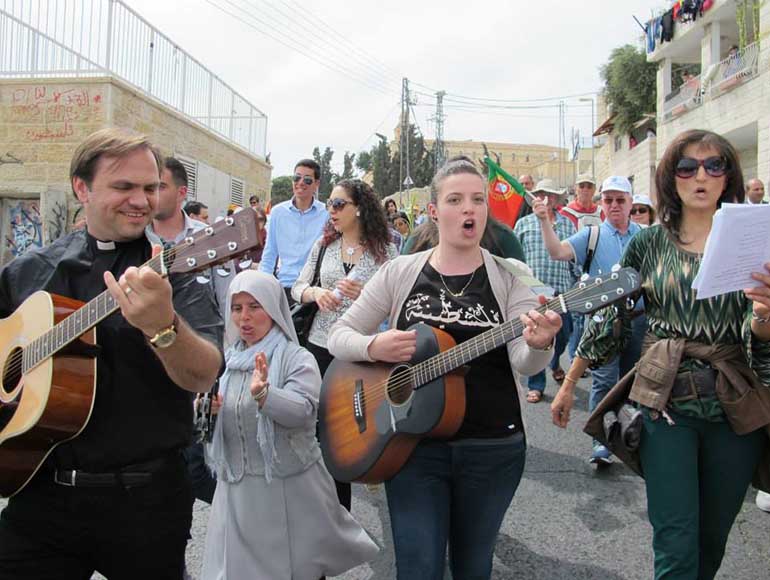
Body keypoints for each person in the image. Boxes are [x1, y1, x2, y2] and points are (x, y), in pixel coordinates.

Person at [0, 128, 224, 579]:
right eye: (124, 187)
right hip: (40, 492)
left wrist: (164, 326)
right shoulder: (31, 271)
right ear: (81, 188)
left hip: (146, 501)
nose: (142, 200)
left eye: (151, 187)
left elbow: (203, 374)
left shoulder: (174, 267)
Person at [327, 157, 562, 579]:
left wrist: (540, 343)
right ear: (434, 211)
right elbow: (339, 336)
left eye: (477, 199)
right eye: (455, 200)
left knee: (474, 567)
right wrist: (374, 344)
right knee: (418, 567)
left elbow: (523, 361)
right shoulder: (400, 271)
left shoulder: (513, 275)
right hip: (412, 447)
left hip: (492, 446)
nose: (468, 209)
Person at [551, 129, 770, 579]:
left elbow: (761, 344)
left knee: (711, 541)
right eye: (687, 167)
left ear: (729, 175)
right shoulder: (648, 243)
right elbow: (608, 319)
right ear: (671, 178)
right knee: (674, 540)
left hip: (735, 406)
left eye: (714, 165)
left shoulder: (755, 243)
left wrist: (764, 317)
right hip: (665, 402)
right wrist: (570, 382)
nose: (701, 176)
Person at [202, 270, 378, 580]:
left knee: (296, 570)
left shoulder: (297, 358)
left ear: (272, 308)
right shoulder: (227, 362)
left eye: (255, 306)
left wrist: (266, 395)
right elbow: (219, 420)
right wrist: (206, 410)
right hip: (238, 497)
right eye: (237, 307)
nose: (244, 317)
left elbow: (305, 412)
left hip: (288, 491)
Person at [291, 178, 398, 509]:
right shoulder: (323, 246)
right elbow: (297, 287)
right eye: (329, 205)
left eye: (339, 205)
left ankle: (346, 497)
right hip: (319, 347)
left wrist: (367, 296)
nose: (332, 211)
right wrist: (316, 293)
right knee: (317, 427)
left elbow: (397, 302)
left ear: (360, 209)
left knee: (347, 431)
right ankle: (325, 508)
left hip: (359, 351)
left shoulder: (386, 253)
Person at [537, 175, 644, 463]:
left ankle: (632, 437)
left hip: (641, 320)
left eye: (620, 200)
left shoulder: (645, 236)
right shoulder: (592, 235)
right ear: (601, 204)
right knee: (604, 381)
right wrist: (546, 221)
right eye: (608, 200)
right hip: (603, 322)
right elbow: (557, 251)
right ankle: (603, 443)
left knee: (637, 381)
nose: (614, 205)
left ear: (631, 202)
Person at [146, 157, 220, 505]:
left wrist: (224, 365)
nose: (148, 196)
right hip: (142, 371)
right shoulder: (133, 236)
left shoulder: (209, 239)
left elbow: (228, 302)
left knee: (195, 459)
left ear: (181, 192)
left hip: (196, 359)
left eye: (157, 186)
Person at [514, 178, 577, 402]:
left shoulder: (568, 225)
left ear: (556, 199)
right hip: (534, 293)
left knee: (564, 335)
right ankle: (536, 385)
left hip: (561, 291)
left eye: (549, 195)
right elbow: (516, 259)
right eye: (540, 194)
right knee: (536, 337)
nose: (544, 199)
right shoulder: (523, 224)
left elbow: (574, 260)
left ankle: (555, 360)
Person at [259, 159, 328, 305]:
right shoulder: (277, 212)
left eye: (308, 180)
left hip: (314, 289)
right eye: (297, 178)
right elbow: (270, 253)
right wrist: (262, 286)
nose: (301, 182)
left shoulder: (327, 213)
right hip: (284, 287)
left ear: (317, 184)